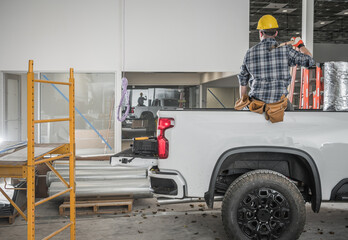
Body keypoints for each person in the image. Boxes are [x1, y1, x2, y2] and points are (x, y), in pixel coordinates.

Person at [235, 14, 315, 122]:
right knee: (292, 118)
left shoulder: (249, 53)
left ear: (261, 33)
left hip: (257, 106)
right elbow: (309, 61)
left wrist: (243, 103)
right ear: (276, 33)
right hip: (279, 106)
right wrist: (300, 45)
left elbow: (243, 81)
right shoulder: (286, 50)